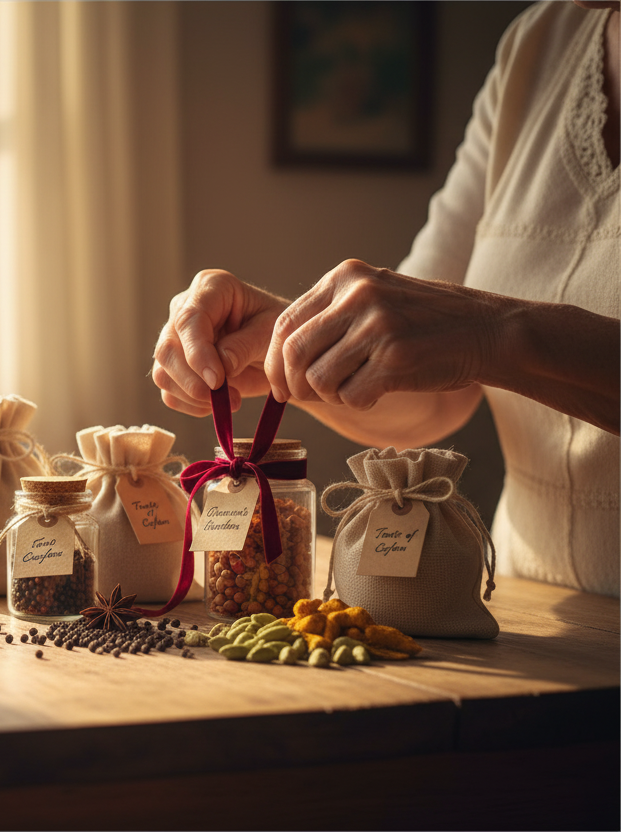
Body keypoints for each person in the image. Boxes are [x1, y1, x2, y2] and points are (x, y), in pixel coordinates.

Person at [152, 1, 620, 596]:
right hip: (523, 608)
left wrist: (493, 335)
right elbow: (425, 394)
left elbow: (468, 335)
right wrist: (291, 338)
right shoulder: (539, 44)